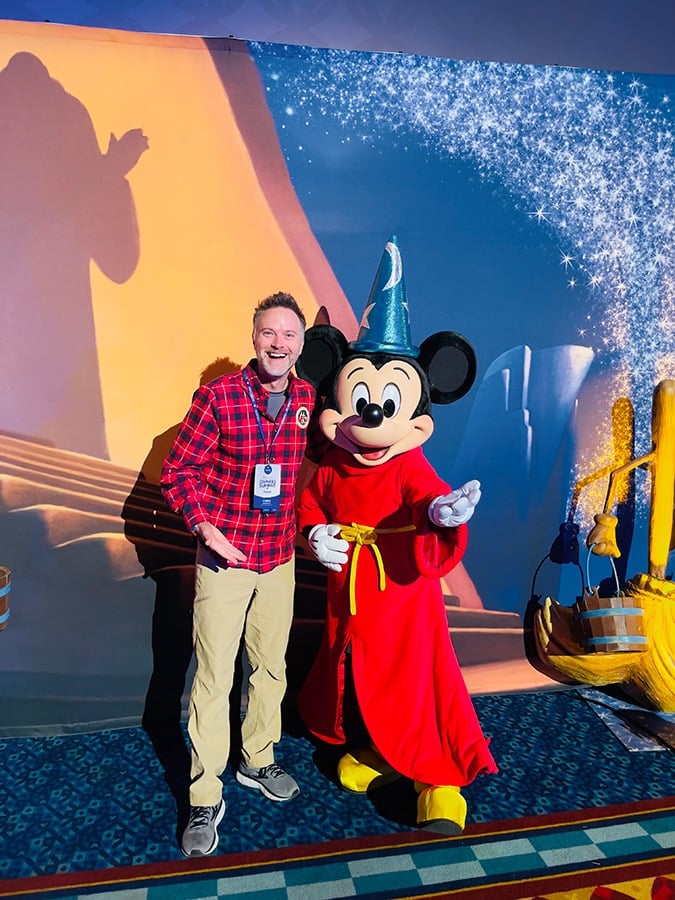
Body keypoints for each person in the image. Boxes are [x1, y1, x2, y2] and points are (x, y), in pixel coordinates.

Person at [160, 291, 317, 858]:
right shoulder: (219, 396)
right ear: (253, 339)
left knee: (270, 669)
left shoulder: (307, 398)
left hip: (279, 558)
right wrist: (206, 529)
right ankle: (205, 795)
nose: (279, 343)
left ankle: (259, 759)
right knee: (213, 678)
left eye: (290, 335)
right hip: (225, 559)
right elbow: (177, 472)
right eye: (269, 333)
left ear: (301, 343)